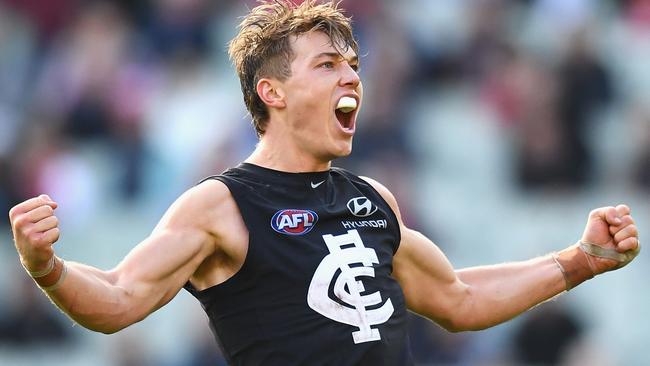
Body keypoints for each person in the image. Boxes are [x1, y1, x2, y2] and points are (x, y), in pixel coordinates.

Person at [8, 1, 640, 365]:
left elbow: (457, 299)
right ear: (272, 92)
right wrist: (47, 269)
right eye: (328, 64)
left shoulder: (372, 201)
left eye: (354, 65)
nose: (352, 79)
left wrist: (580, 261)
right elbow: (119, 299)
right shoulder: (221, 205)